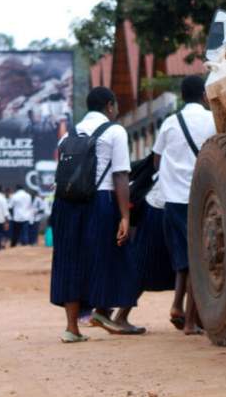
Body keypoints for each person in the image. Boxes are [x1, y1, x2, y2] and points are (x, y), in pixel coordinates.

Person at [113, 75, 215, 334]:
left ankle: (178, 308)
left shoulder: (171, 122)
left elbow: (157, 162)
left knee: (182, 258)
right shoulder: (213, 120)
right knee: (195, 260)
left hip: (169, 201)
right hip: (201, 199)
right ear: (205, 95)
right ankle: (189, 321)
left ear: (182, 96)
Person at [50, 86, 139, 343]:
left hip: (65, 203)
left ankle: (71, 328)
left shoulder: (67, 136)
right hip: (100, 199)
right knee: (112, 253)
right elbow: (121, 174)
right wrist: (125, 215)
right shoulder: (114, 131)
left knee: (70, 260)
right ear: (109, 106)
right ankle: (101, 311)